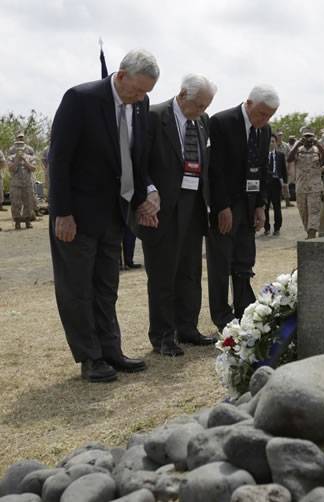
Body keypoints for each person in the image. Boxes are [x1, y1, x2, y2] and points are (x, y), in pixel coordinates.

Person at [49, 49, 160, 382]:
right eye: (137, 90)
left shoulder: (138, 105)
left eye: (147, 93)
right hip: (78, 216)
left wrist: (143, 197)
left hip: (115, 213)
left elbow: (135, 159)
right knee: (77, 289)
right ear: (121, 75)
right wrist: (62, 213)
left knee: (106, 286)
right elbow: (60, 160)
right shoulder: (80, 99)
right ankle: (90, 356)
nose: (141, 98)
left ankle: (111, 349)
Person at [139, 73, 218, 357]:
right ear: (183, 94)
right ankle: (163, 335)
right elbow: (139, 161)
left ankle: (187, 327)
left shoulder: (203, 121)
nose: (202, 111)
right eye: (199, 105)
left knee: (190, 270)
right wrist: (147, 193)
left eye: (207, 106)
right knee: (163, 273)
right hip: (162, 205)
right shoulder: (153, 116)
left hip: (195, 203)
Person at [206, 84, 278, 331]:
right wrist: (222, 207)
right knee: (221, 262)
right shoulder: (222, 122)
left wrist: (260, 205)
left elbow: (263, 171)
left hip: (249, 204)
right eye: (261, 113)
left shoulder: (264, 130)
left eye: (269, 115)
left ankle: (244, 307)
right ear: (248, 104)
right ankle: (221, 314)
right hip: (225, 205)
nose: (264, 119)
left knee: (244, 259)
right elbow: (214, 169)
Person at [288, 127, 324, 239]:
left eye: (310, 136)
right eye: (306, 136)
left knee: (314, 212)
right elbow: (289, 159)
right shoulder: (298, 149)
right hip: (301, 187)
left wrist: (319, 145)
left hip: (315, 187)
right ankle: (309, 232)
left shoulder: (318, 149)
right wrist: (297, 144)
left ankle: (312, 234)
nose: (308, 138)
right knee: (303, 213)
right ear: (302, 137)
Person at [7, 132, 36, 229]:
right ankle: (17, 221)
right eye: (18, 140)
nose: (20, 144)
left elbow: (33, 168)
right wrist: (16, 160)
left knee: (28, 202)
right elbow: (10, 169)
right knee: (16, 203)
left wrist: (25, 160)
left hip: (27, 182)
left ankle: (28, 221)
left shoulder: (29, 156)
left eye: (21, 139)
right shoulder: (11, 156)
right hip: (15, 184)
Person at [264, 135, 288, 236]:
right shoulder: (263, 155)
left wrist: (285, 183)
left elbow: (283, 170)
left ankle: (277, 227)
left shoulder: (280, 155)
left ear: (276, 143)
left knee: (277, 206)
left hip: (276, 183)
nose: (271, 143)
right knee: (265, 207)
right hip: (265, 184)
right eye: (269, 141)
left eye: (273, 141)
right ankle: (267, 228)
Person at [275, 131, 293, 207]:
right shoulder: (273, 144)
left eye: (281, 135)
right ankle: (276, 202)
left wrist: (289, 168)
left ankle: (287, 202)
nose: (280, 137)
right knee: (275, 185)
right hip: (275, 168)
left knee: (286, 184)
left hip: (284, 168)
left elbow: (290, 157)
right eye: (279, 135)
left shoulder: (286, 146)